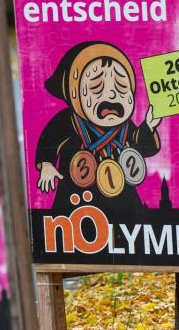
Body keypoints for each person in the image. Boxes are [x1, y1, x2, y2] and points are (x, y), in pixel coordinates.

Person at [35, 41, 161, 215]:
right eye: (96, 87)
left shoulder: (124, 127)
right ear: (74, 93)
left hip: (123, 200)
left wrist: (149, 126)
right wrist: (47, 165)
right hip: (78, 201)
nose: (111, 95)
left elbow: (143, 148)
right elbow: (48, 140)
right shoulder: (67, 121)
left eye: (121, 87)